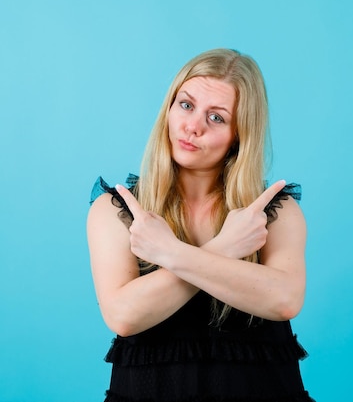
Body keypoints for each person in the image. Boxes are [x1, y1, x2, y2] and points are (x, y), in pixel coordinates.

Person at [87, 48, 314, 402]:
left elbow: (284, 299)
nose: (193, 126)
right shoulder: (117, 208)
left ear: (240, 134)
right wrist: (224, 249)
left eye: (217, 118)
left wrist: (170, 253)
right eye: (186, 105)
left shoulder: (271, 212)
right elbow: (123, 315)